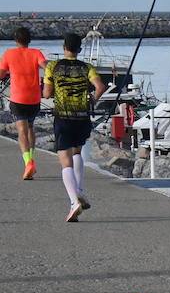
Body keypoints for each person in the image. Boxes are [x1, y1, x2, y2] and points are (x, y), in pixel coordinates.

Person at [43, 32, 105, 222]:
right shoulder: (87, 67)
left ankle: (73, 201)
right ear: (79, 49)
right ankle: (79, 190)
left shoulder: (53, 67)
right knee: (77, 153)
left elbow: (46, 94)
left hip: (63, 117)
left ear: (64, 47)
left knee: (65, 160)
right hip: (82, 117)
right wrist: (92, 100)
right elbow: (100, 87)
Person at [0, 26, 46, 179]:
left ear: (16, 40)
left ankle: (28, 162)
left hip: (18, 98)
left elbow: (1, 74)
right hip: (34, 99)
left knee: (22, 131)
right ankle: (32, 159)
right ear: (29, 40)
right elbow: (45, 66)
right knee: (31, 128)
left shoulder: (8, 54)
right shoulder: (36, 53)